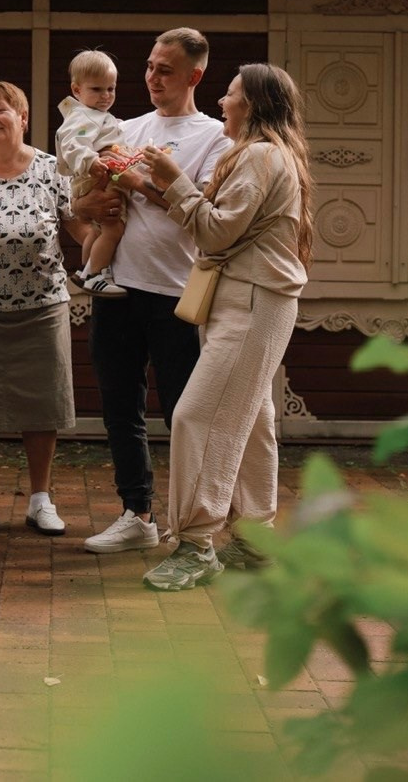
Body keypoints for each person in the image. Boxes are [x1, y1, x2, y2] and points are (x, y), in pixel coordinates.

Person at [137, 63, 315, 590]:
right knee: (251, 419)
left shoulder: (260, 156)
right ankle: (256, 540)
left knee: (197, 416)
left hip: (253, 301)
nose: (221, 103)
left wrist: (174, 183)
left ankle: (196, 544)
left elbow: (215, 234)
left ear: (253, 105)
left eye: (231, 94)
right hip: (250, 300)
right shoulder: (264, 155)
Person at [73, 28, 232, 555]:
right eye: (148, 66)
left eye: (165, 69)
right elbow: (82, 201)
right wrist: (88, 206)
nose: (152, 77)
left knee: (185, 412)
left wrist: (142, 183)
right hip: (118, 288)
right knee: (120, 405)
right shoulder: (126, 127)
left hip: (177, 292)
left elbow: (201, 211)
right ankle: (136, 513)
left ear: (195, 76)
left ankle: (193, 522)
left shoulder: (215, 138)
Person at [0, 81, 90, 537]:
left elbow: (82, 228)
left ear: (23, 118)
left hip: (42, 305)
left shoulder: (51, 170)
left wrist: (114, 240)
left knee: (41, 403)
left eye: (1, 110)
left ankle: (41, 499)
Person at [55, 49, 128, 298]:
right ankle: (95, 275)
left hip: (92, 175)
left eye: (111, 89)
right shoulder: (83, 116)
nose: (106, 96)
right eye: (97, 89)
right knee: (113, 228)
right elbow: (73, 143)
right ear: (77, 90)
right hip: (93, 176)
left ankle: (86, 271)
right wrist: (91, 160)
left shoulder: (95, 116)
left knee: (97, 230)